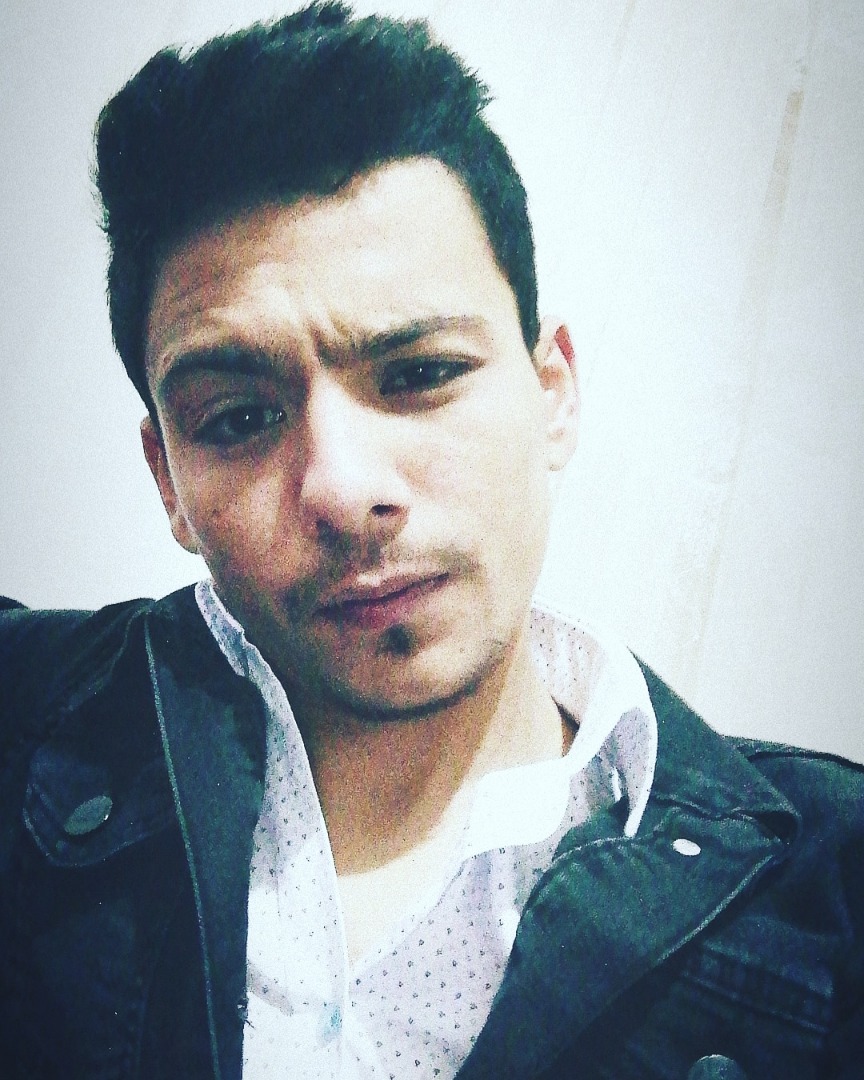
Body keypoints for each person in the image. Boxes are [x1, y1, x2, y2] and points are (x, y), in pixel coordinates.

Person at [0, 4, 861, 1078]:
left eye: (419, 375)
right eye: (238, 418)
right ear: (168, 480)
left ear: (552, 393)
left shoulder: (832, 895)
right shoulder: (32, 719)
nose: (343, 489)